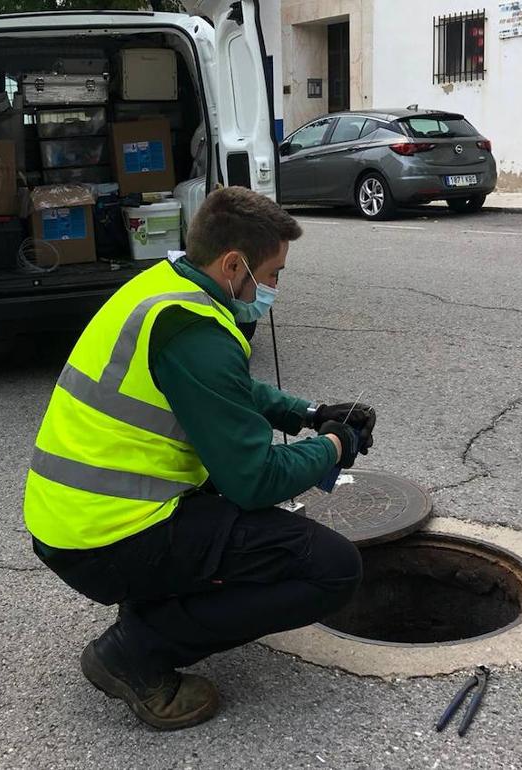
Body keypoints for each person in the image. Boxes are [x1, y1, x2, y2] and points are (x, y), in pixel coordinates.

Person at [23, 187, 378, 731]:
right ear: (234, 264)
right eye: (275, 273)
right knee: (332, 569)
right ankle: (136, 650)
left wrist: (307, 413)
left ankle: (153, 609)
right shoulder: (195, 332)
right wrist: (334, 445)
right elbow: (255, 481)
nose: (276, 287)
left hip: (72, 520)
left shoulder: (165, 289)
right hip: (104, 539)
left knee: (217, 497)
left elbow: (225, 390)